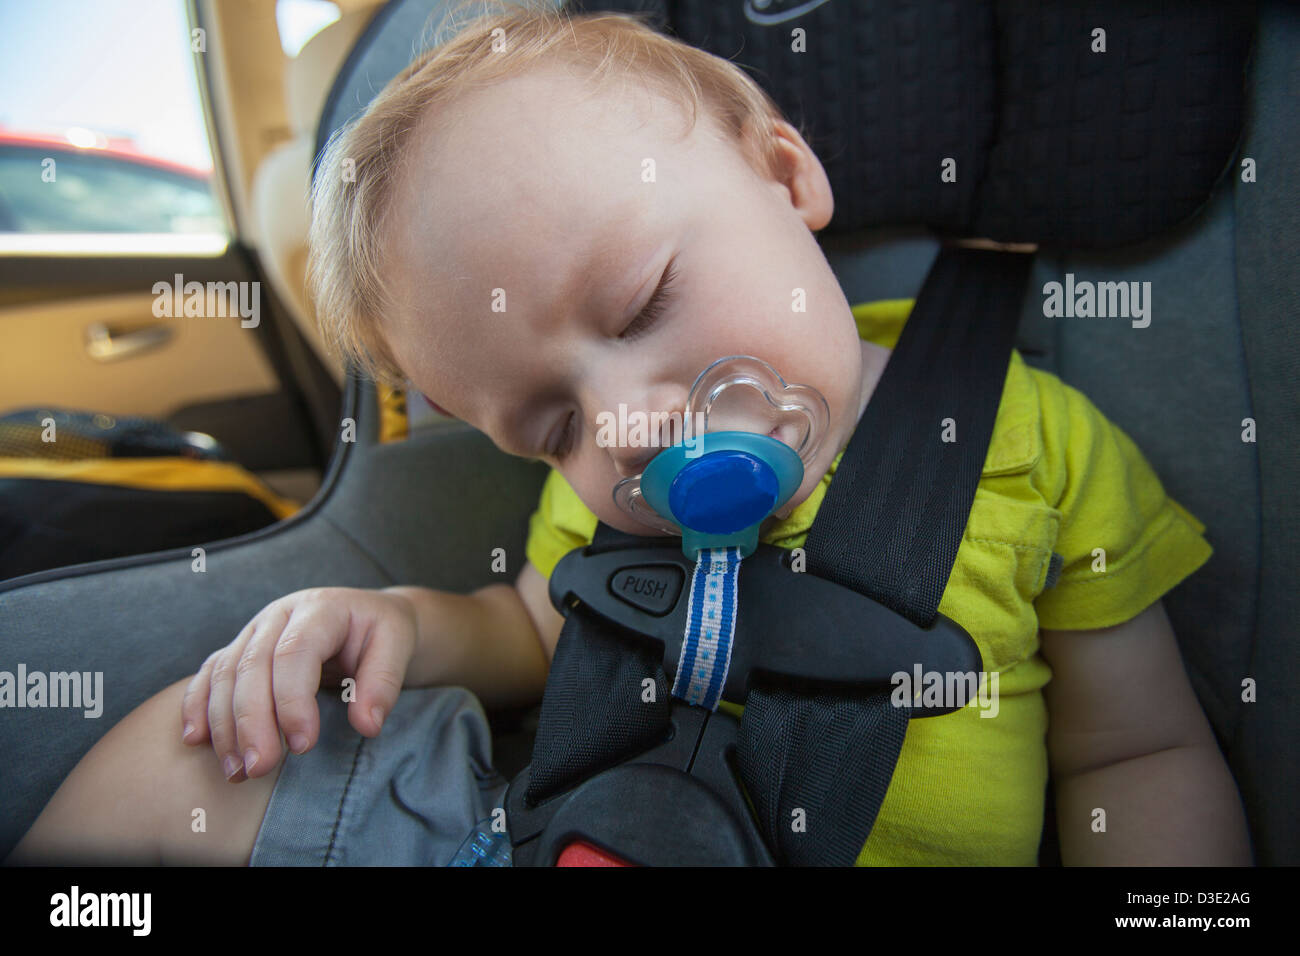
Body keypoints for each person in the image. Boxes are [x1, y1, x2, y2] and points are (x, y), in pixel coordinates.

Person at [6, 1, 1252, 866]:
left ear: (784, 177)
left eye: (647, 303)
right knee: (175, 759)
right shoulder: (607, 497)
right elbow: (532, 631)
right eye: (551, 426)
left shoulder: (1039, 446)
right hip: (556, 834)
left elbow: (1135, 752)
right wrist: (391, 620)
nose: (630, 426)